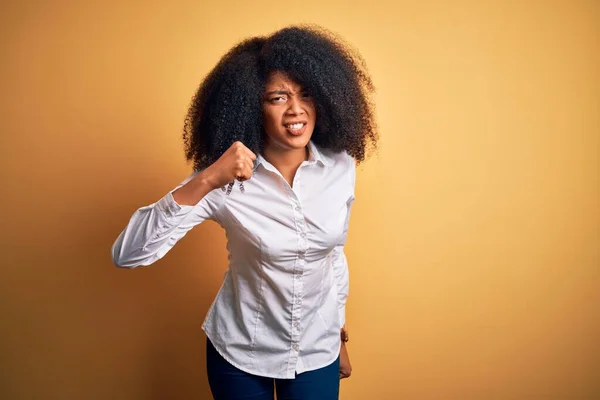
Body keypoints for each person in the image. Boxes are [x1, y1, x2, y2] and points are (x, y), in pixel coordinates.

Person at [111, 25, 377, 400]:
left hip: (317, 349)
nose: (296, 110)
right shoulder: (224, 179)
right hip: (240, 351)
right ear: (252, 105)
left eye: (306, 94)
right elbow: (127, 254)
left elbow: (331, 256)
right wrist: (205, 180)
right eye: (278, 97)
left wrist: (338, 334)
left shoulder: (340, 167)